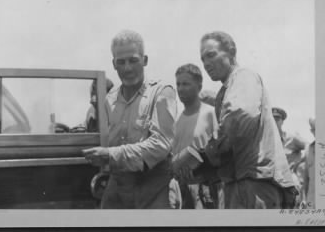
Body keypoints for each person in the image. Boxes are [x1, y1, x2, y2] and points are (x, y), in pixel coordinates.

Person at [200, 31, 296, 209]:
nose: (206, 64)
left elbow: (241, 116)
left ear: (231, 51)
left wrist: (211, 149)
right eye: (203, 59)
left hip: (253, 184)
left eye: (211, 55)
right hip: (243, 181)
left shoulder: (243, 76)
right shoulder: (230, 86)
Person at [83, 30, 177, 209]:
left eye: (133, 60)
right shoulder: (109, 99)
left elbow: (161, 144)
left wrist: (111, 155)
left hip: (153, 189)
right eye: (121, 62)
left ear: (145, 60)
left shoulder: (162, 93)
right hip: (118, 187)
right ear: (114, 64)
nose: (127, 68)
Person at [171, 64, 220, 209]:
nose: (180, 88)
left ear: (199, 86)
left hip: (207, 191)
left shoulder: (211, 114)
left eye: (186, 84)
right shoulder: (177, 121)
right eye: (178, 84)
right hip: (182, 190)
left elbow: (221, 154)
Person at [272, 107, 306, 207]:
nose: (274, 122)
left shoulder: (291, 138)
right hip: (271, 174)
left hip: (289, 174)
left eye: (277, 119)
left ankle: (297, 209)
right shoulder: (266, 140)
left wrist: (300, 162)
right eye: (272, 119)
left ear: (282, 121)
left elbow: (309, 147)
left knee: (294, 187)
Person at [303, 118, 315, 208]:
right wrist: (304, 199)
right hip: (312, 199)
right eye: (315, 129)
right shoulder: (309, 150)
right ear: (312, 131)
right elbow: (306, 178)